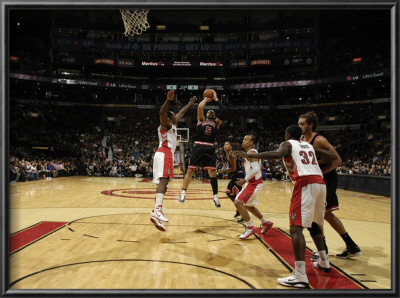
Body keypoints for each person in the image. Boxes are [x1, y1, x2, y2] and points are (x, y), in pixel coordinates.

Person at [234, 126, 338, 288]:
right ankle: (324, 261)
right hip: (320, 183)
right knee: (314, 224)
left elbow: (277, 154)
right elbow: (333, 156)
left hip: (305, 182)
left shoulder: (288, 144)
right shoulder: (308, 146)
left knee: (296, 229)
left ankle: (300, 274)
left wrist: (249, 155)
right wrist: (313, 163)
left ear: (288, 134)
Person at [298, 111, 362, 259]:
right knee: (326, 214)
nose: (300, 126)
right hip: (316, 179)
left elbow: (337, 160)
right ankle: (351, 245)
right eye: (299, 124)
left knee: (320, 214)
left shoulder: (319, 140)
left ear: (310, 125)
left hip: (327, 178)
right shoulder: (301, 138)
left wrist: (321, 172)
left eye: (302, 124)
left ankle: (323, 250)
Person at [150, 89, 197, 232]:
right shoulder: (166, 125)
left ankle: (157, 211)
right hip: (164, 153)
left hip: (163, 154)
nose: (177, 117)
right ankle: (157, 210)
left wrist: (189, 104)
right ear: (169, 119)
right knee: (164, 181)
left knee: (164, 183)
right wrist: (168, 100)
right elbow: (161, 113)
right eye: (173, 116)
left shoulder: (173, 125)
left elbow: (181, 113)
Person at [178, 90, 224, 208]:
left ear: (214, 116)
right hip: (198, 146)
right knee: (190, 171)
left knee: (212, 173)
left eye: (212, 112)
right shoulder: (201, 120)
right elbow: (199, 107)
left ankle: (215, 197)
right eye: (208, 111)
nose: (210, 112)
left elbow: (224, 111)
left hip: (209, 148)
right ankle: (183, 193)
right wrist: (206, 99)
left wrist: (216, 99)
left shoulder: (216, 123)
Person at [232, 135, 274, 239]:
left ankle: (250, 227)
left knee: (238, 202)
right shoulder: (250, 154)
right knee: (248, 206)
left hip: (253, 183)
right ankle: (265, 222)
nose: (243, 140)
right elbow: (257, 167)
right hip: (254, 182)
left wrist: (245, 180)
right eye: (243, 139)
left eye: (246, 139)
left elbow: (256, 170)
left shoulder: (252, 153)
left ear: (251, 143)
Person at [217, 141, 244, 222]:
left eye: (227, 144)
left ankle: (243, 213)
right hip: (235, 176)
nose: (225, 146)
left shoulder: (231, 155)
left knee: (236, 195)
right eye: (224, 144)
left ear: (231, 147)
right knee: (229, 192)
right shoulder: (228, 155)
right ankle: (239, 210)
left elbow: (234, 169)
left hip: (237, 176)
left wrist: (223, 171)